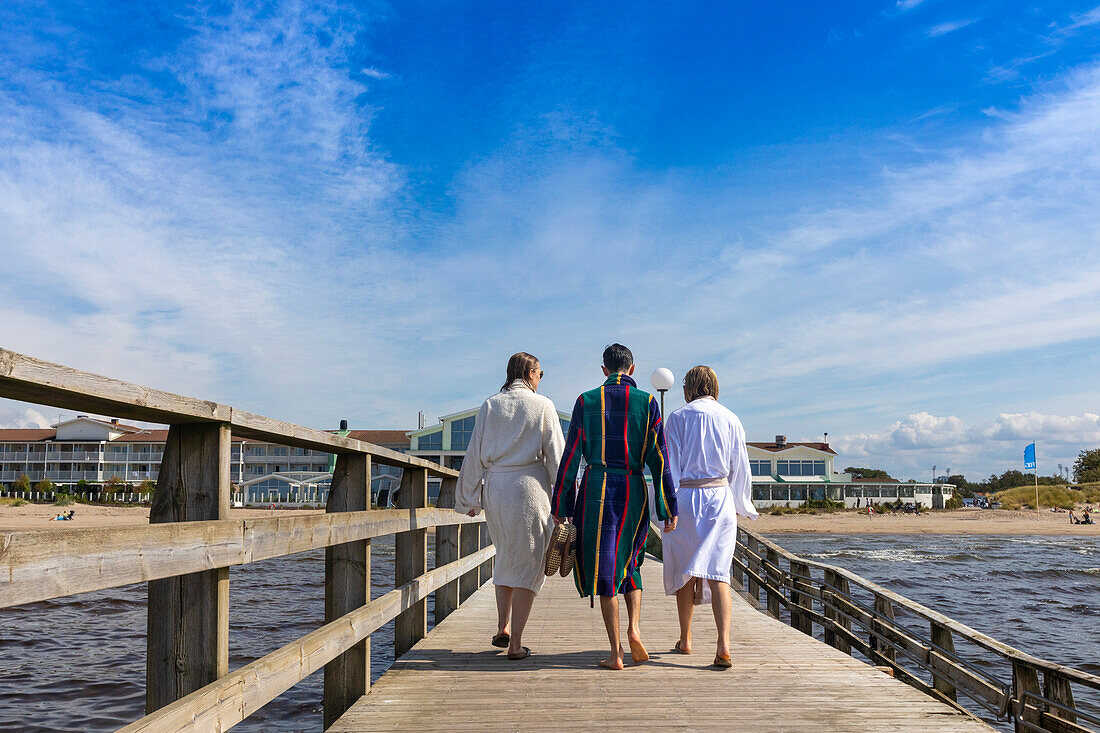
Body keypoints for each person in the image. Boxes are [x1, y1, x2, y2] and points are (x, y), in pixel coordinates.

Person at [551, 343, 678, 670]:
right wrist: (667, 508)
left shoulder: (586, 401)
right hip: (633, 490)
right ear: (632, 369)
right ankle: (634, 628)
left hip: (596, 490)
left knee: (604, 564)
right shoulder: (648, 402)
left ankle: (616, 652)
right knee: (631, 561)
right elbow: (659, 458)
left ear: (604, 370)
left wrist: (561, 504)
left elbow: (571, 455)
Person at [455, 352, 564, 660]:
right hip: (528, 488)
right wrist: (566, 497)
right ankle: (515, 644)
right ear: (530, 373)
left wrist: (468, 498)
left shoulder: (491, 404)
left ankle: (503, 626)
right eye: (540, 373)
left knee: (504, 555)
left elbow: (474, 450)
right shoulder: (542, 406)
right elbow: (556, 454)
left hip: (496, 488)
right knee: (531, 562)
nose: (541, 379)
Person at [661, 366, 758, 668]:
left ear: (688, 387)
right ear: (715, 386)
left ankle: (686, 638)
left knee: (683, 571)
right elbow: (740, 465)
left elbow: (669, 464)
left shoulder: (676, 418)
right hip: (719, 498)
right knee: (719, 573)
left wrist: (666, 506)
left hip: (686, 497)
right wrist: (743, 504)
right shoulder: (730, 418)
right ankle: (723, 644)